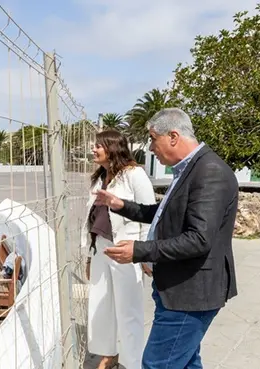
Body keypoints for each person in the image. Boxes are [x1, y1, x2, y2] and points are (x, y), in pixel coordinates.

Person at [95, 108, 239, 369]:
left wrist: (140, 251)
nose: (150, 148)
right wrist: (121, 205)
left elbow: (198, 238)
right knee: (186, 363)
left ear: (173, 136)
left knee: (157, 364)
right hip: (179, 287)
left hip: (190, 293)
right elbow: (164, 214)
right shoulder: (188, 169)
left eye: (152, 138)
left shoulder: (209, 172)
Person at [81, 130, 156, 369]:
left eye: (98, 146)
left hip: (127, 249)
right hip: (101, 247)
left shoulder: (135, 175)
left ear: (112, 147)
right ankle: (109, 353)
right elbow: (91, 218)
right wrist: (89, 255)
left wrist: (145, 253)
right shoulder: (98, 177)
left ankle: (133, 363)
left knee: (128, 309)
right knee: (101, 305)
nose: (94, 150)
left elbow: (148, 215)